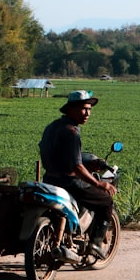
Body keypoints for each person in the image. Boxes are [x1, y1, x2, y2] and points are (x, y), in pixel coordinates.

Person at [38, 89, 115, 255]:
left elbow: (63, 154)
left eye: (89, 109)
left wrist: (88, 162)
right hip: (69, 182)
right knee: (106, 202)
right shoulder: (72, 132)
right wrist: (99, 183)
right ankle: (95, 244)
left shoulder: (53, 127)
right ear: (71, 109)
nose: (87, 113)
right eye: (83, 109)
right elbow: (76, 167)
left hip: (49, 179)